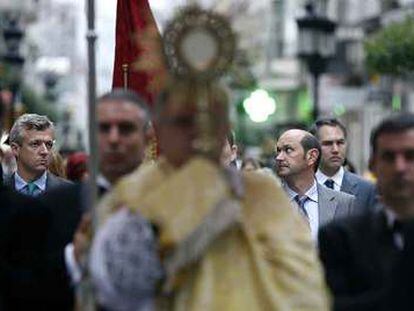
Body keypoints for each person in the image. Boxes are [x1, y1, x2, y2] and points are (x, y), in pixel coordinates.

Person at [91, 80, 330, 310]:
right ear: (162, 130)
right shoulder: (134, 195)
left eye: (209, 123)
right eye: (183, 123)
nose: (197, 134)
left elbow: (302, 286)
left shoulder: (262, 194)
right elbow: (116, 288)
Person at [318, 113, 414, 311]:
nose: (400, 167)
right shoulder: (341, 238)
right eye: (389, 157)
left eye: (410, 156)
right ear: (373, 165)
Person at [275, 129, 355, 240]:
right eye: (278, 151)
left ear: (312, 156)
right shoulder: (265, 203)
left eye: (288, 150)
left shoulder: (344, 203)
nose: (279, 157)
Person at [310, 118, 377, 213]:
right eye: (328, 144)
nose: (335, 150)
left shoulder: (366, 190)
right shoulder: (304, 187)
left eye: (340, 143)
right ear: (313, 148)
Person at [96, 88, 151, 195]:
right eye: (104, 128)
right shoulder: (57, 204)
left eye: (125, 128)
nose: (113, 139)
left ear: (147, 138)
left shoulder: (176, 204)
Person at [7, 113, 70, 196]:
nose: (44, 151)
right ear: (15, 149)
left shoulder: (68, 192)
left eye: (48, 144)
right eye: (35, 144)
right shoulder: (4, 190)